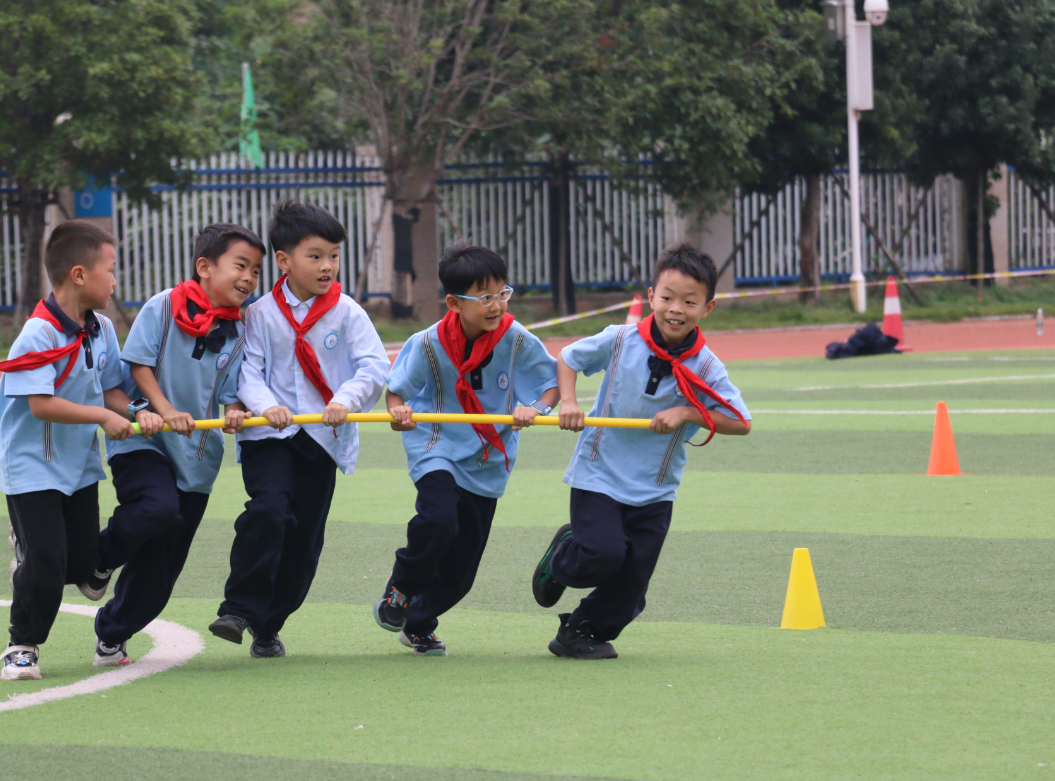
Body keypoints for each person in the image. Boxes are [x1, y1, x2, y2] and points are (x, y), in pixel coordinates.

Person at [530, 244, 752, 659]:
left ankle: (580, 631)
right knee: (603, 553)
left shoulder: (707, 366)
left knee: (633, 578)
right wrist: (570, 403)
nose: (676, 309)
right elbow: (567, 360)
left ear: (708, 308)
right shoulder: (620, 339)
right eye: (667, 297)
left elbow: (740, 421)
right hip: (599, 472)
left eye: (690, 301)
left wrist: (689, 411)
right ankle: (563, 558)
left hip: (656, 486)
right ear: (651, 296)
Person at [208, 200, 388, 658]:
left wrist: (344, 400)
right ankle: (237, 610)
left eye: (333, 255)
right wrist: (267, 406)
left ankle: (269, 625)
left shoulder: (348, 313)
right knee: (269, 510)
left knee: (304, 540)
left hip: (322, 439)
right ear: (284, 261)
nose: (327, 266)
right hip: (271, 437)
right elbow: (247, 369)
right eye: (315, 256)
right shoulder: (259, 313)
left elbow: (372, 366)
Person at [91, 223, 266, 666]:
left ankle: (112, 633)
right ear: (204, 267)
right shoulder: (164, 306)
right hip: (144, 441)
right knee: (156, 508)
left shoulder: (241, 329)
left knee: (161, 571)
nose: (249, 278)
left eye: (256, 271)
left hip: (198, 459)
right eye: (240, 265)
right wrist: (163, 409)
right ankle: (98, 559)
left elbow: (233, 387)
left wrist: (235, 410)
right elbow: (140, 364)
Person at [375, 243, 559, 656]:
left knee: (461, 575)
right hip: (436, 444)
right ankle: (400, 589)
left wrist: (537, 408)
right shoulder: (427, 342)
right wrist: (398, 411)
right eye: (485, 297)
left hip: (488, 458)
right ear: (454, 303)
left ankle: (419, 624)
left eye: (501, 293)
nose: (496, 305)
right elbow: (397, 391)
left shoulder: (515, 339)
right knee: (439, 520)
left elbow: (551, 384)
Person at [0, 220, 147, 680]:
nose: (115, 281)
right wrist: (102, 417)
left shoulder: (101, 329)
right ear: (79, 274)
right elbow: (40, 404)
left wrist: (139, 413)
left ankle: (43, 556)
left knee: (79, 564)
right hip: (30, 466)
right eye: (110, 269)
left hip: (77, 465)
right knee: (46, 562)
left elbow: (112, 390)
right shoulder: (37, 334)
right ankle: (23, 645)